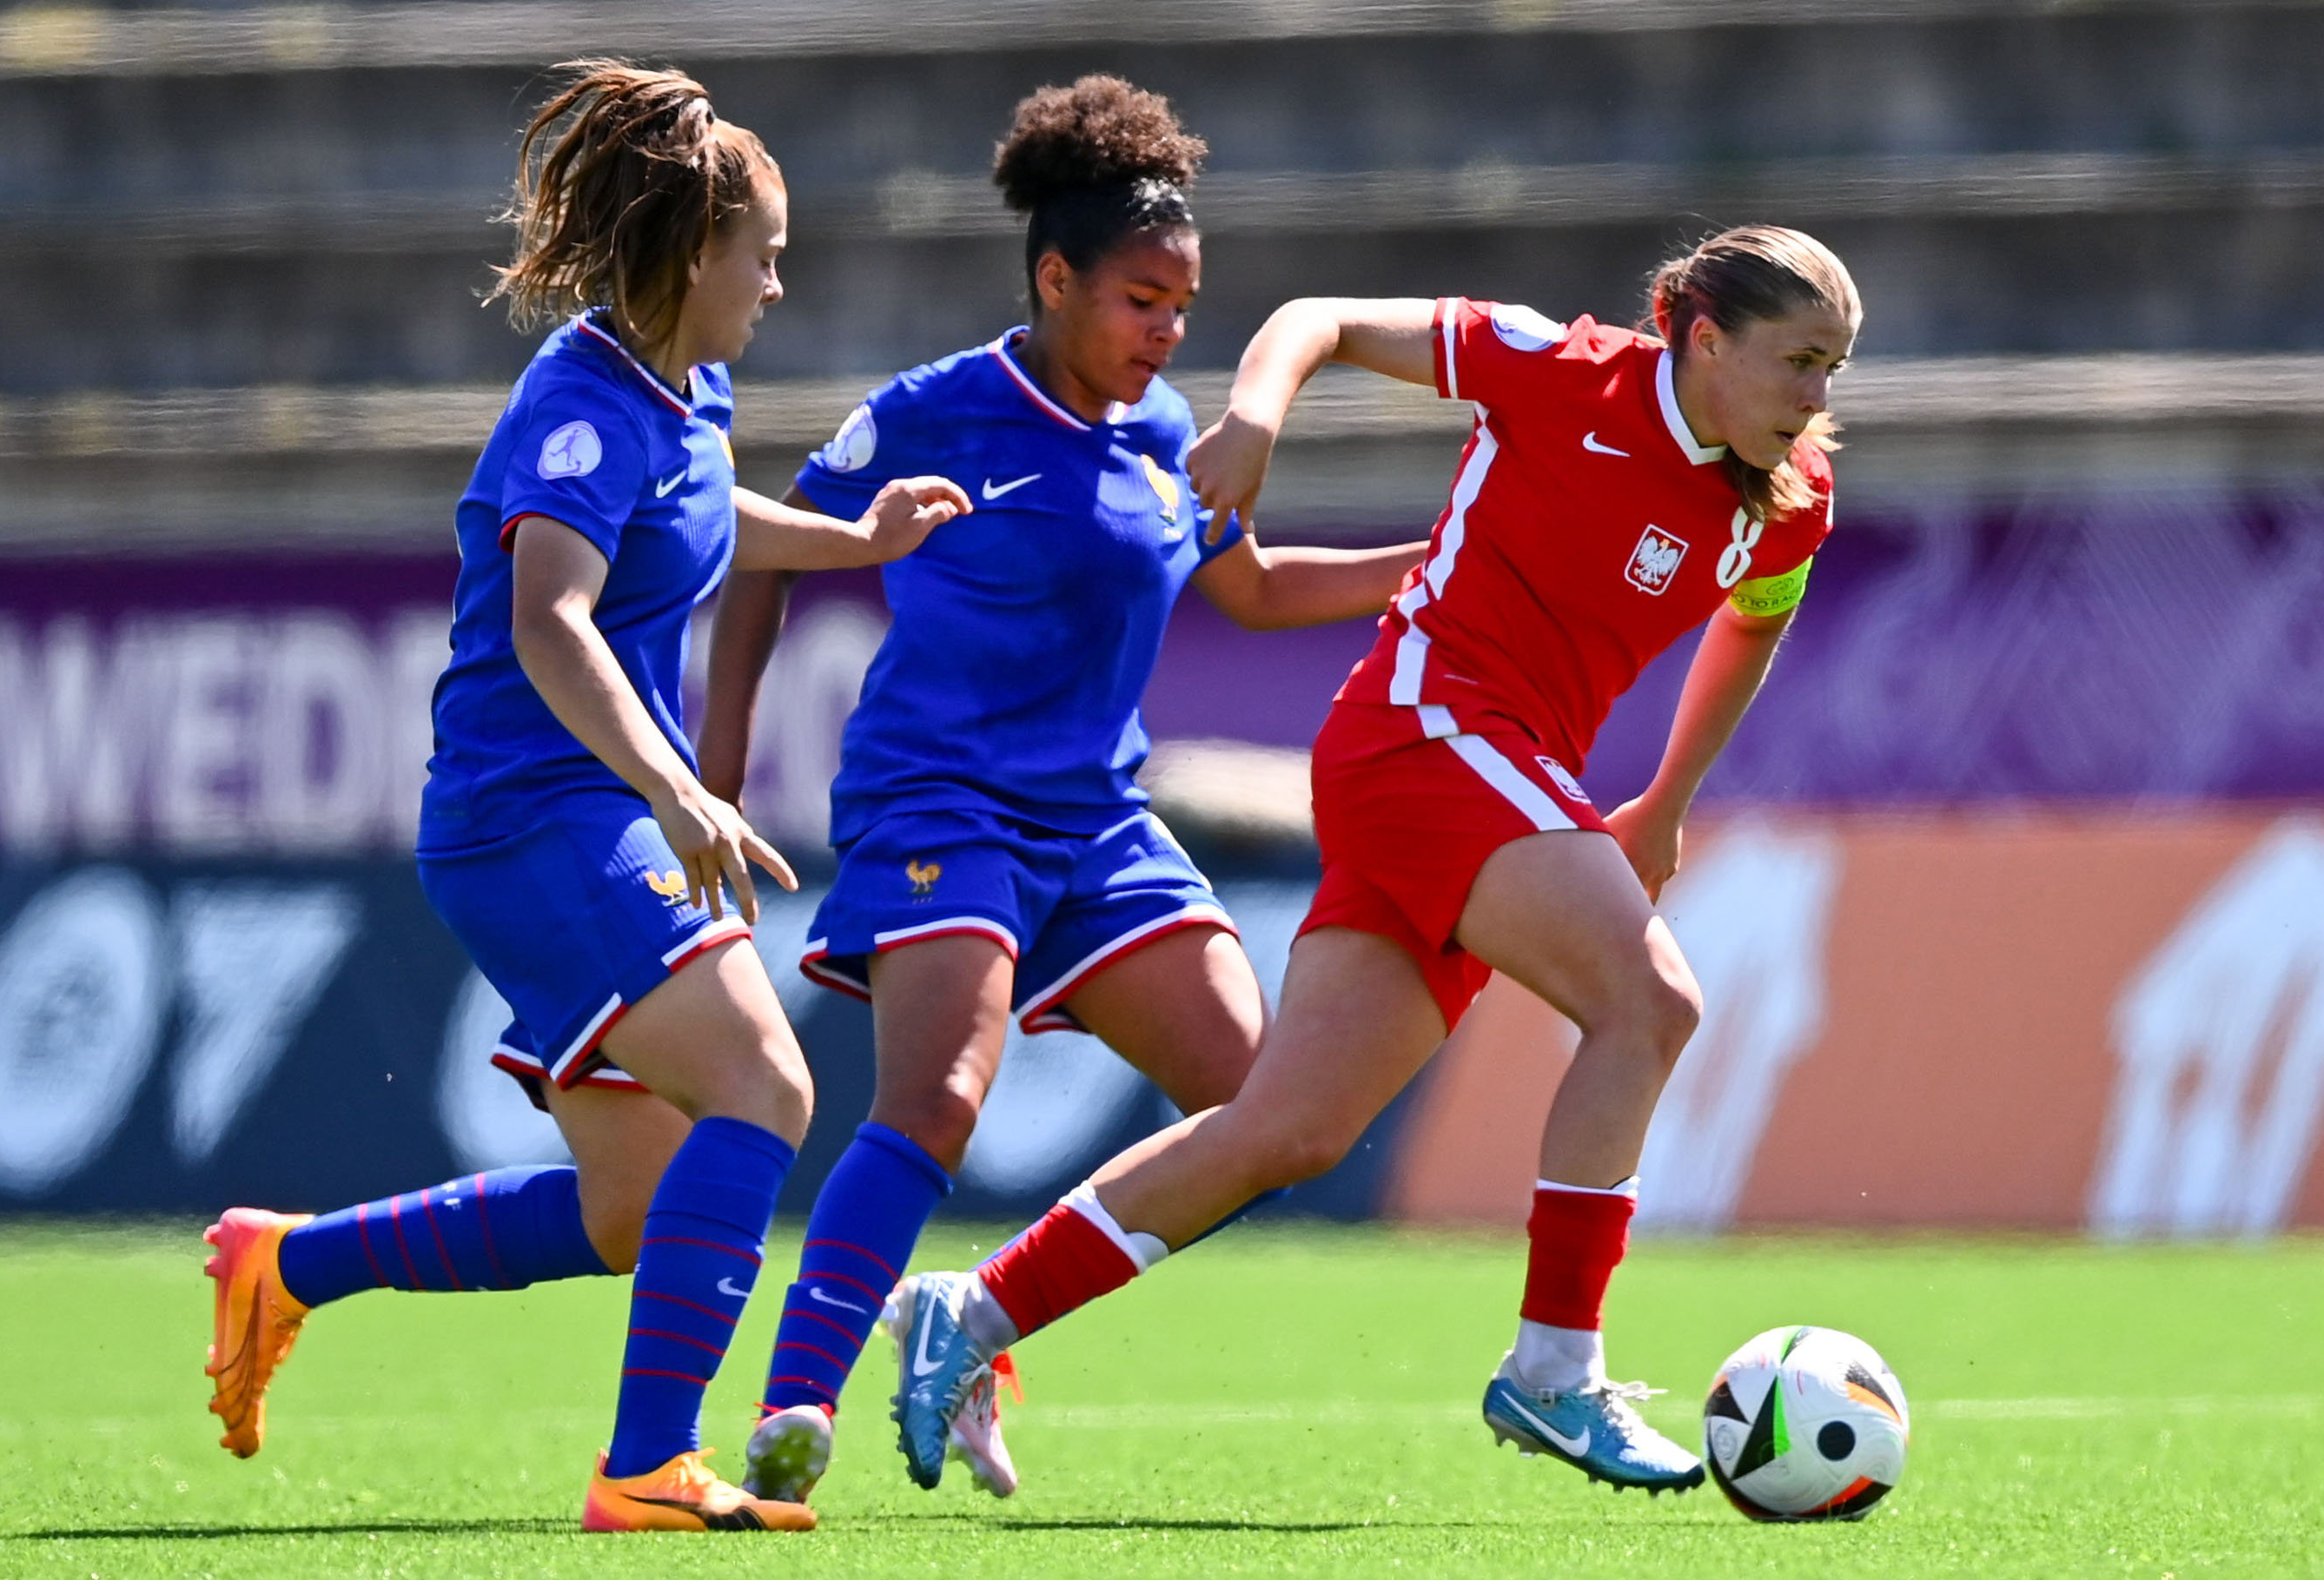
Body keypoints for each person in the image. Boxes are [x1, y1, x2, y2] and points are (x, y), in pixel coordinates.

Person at [884, 225, 1863, 1497]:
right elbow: (1320, 315)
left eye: (1832, 367)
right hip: (1424, 725)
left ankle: (969, 1310)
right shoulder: (1560, 368)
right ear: (1704, 337)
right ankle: (1555, 1371)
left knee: (1288, 1128)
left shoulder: (1791, 493)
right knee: (1649, 1000)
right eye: (1797, 362)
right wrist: (1249, 422)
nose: (1816, 398)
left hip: (1490, 775)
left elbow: (1747, 632)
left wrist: (1666, 799)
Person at [196, 62, 969, 1534]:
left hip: (568, 815)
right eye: (767, 256)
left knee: (634, 1207)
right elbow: (551, 615)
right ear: (695, 257)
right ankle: (647, 1466)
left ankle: (281, 1265)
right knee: (766, 1084)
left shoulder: (683, 385)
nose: (779, 286)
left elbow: (697, 505)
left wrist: (849, 539)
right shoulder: (576, 401)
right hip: (534, 814)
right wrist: (674, 789)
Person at [698, 75, 1427, 1504]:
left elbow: (1253, 587)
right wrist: (715, 774)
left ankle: (964, 1321)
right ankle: (796, 1403)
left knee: (1261, 1101)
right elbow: (767, 554)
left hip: (1097, 821)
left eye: (1184, 305)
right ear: (1054, 276)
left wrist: (1429, 562)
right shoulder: (934, 413)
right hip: (940, 802)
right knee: (941, 1097)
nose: (1169, 332)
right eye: (1143, 300)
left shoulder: (1170, 439)